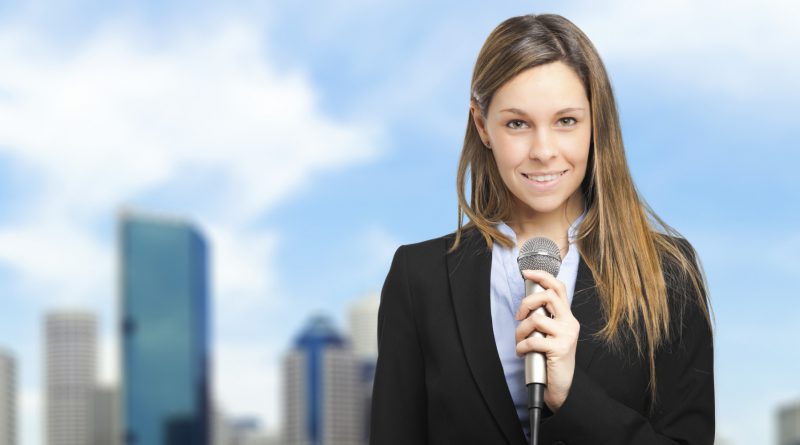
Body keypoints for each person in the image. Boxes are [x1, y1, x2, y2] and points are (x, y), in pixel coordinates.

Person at [369, 13, 714, 445]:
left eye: (566, 121)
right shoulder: (418, 277)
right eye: (517, 123)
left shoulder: (667, 273)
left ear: (595, 124)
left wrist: (572, 396)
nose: (544, 151)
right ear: (482, 125)